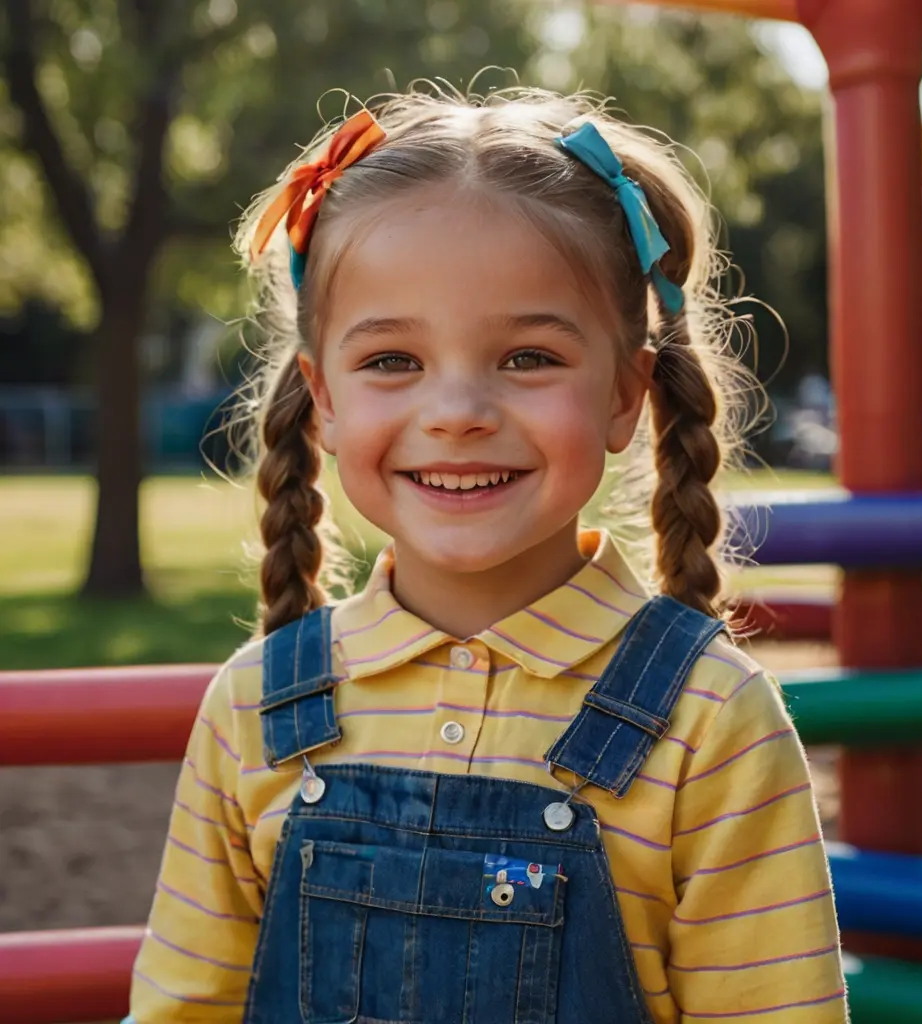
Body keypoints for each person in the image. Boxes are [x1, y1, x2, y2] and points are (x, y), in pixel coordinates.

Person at [127, 85, 846, 1023]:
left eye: (527, 358)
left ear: (627, 392)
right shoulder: (252, 708)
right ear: (325, 398)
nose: (458, 411)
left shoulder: (713, 723)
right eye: (393, 361)